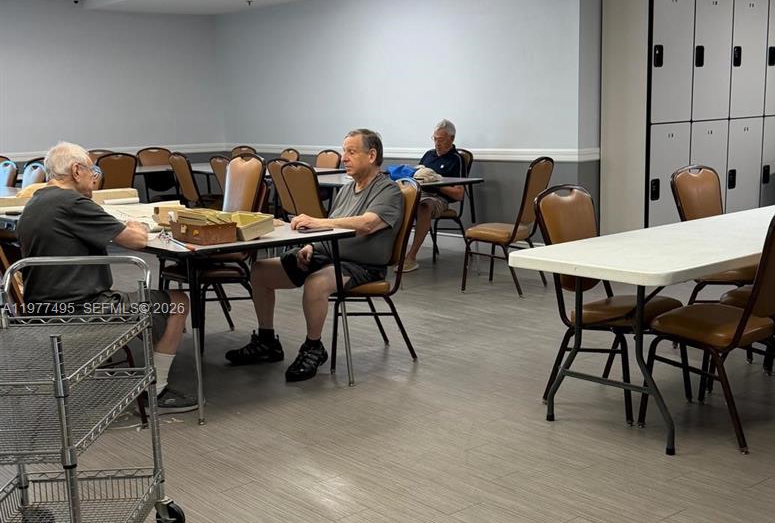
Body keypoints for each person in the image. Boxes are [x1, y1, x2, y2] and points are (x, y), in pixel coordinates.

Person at [16, 141, 196, 411]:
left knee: (152, 300)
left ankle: (148, 361)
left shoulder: (36, 201)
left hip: (41, 309)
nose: (94, 177)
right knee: (178, 302)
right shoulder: (72, 203)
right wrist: (136, 225)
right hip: (81, 309)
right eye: (92, 170)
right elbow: (136, 240)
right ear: (76, 170)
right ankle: (156, 390)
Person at [225, 128, 403, 383]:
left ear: (372, 155)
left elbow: (367, 224)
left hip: (363, 266)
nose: (344, 158)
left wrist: (317, 223)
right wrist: (313, 245)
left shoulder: (388, 191)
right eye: (344, 151)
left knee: (316, 283)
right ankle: (267, 341)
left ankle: (313, 347)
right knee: (261, 271)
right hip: (329, 255)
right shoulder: (347, 190)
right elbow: (333, 228)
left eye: (352, 152)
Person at [402, 119, 465, 272]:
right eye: (435, 139)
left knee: (424, 207)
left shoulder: (456, 159)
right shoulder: (428, 155)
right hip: (419, 192)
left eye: (441, 140)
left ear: (452, 139)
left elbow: (459, 194)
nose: (437, 143)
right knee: (394, 201)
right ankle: (392, 253)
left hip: (438, 198)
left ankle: (411, 257)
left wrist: (436, 184)